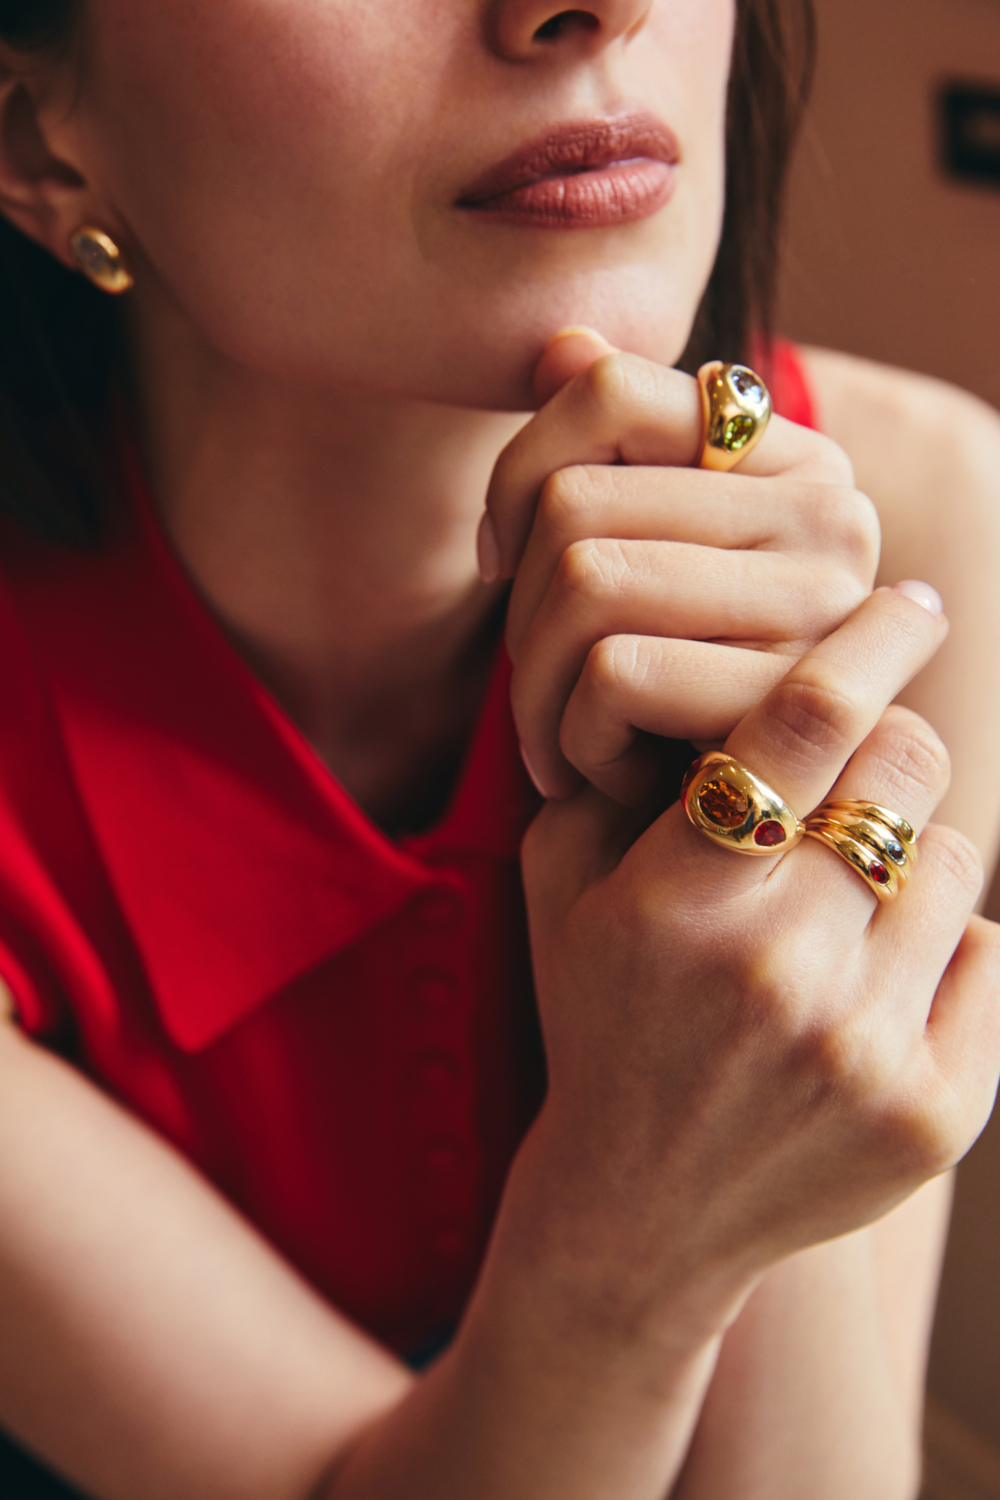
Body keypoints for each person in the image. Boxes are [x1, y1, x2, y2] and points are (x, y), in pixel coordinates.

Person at [0, 1, 999, 1497]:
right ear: (34, 144)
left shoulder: (925, 519)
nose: (586, 0)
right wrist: (633, 1236)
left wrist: (780, 773)